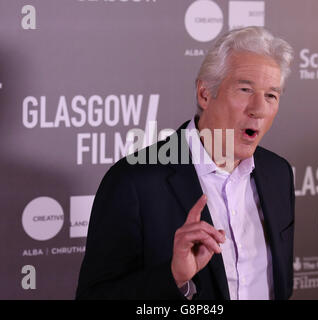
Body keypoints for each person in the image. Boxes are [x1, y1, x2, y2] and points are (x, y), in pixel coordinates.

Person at [76, 26, 295, 300]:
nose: (259, 109)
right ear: (205, 94)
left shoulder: (279, 174)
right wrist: (173, 277)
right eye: (245, 89)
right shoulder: (134, 181)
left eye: (271, 96)